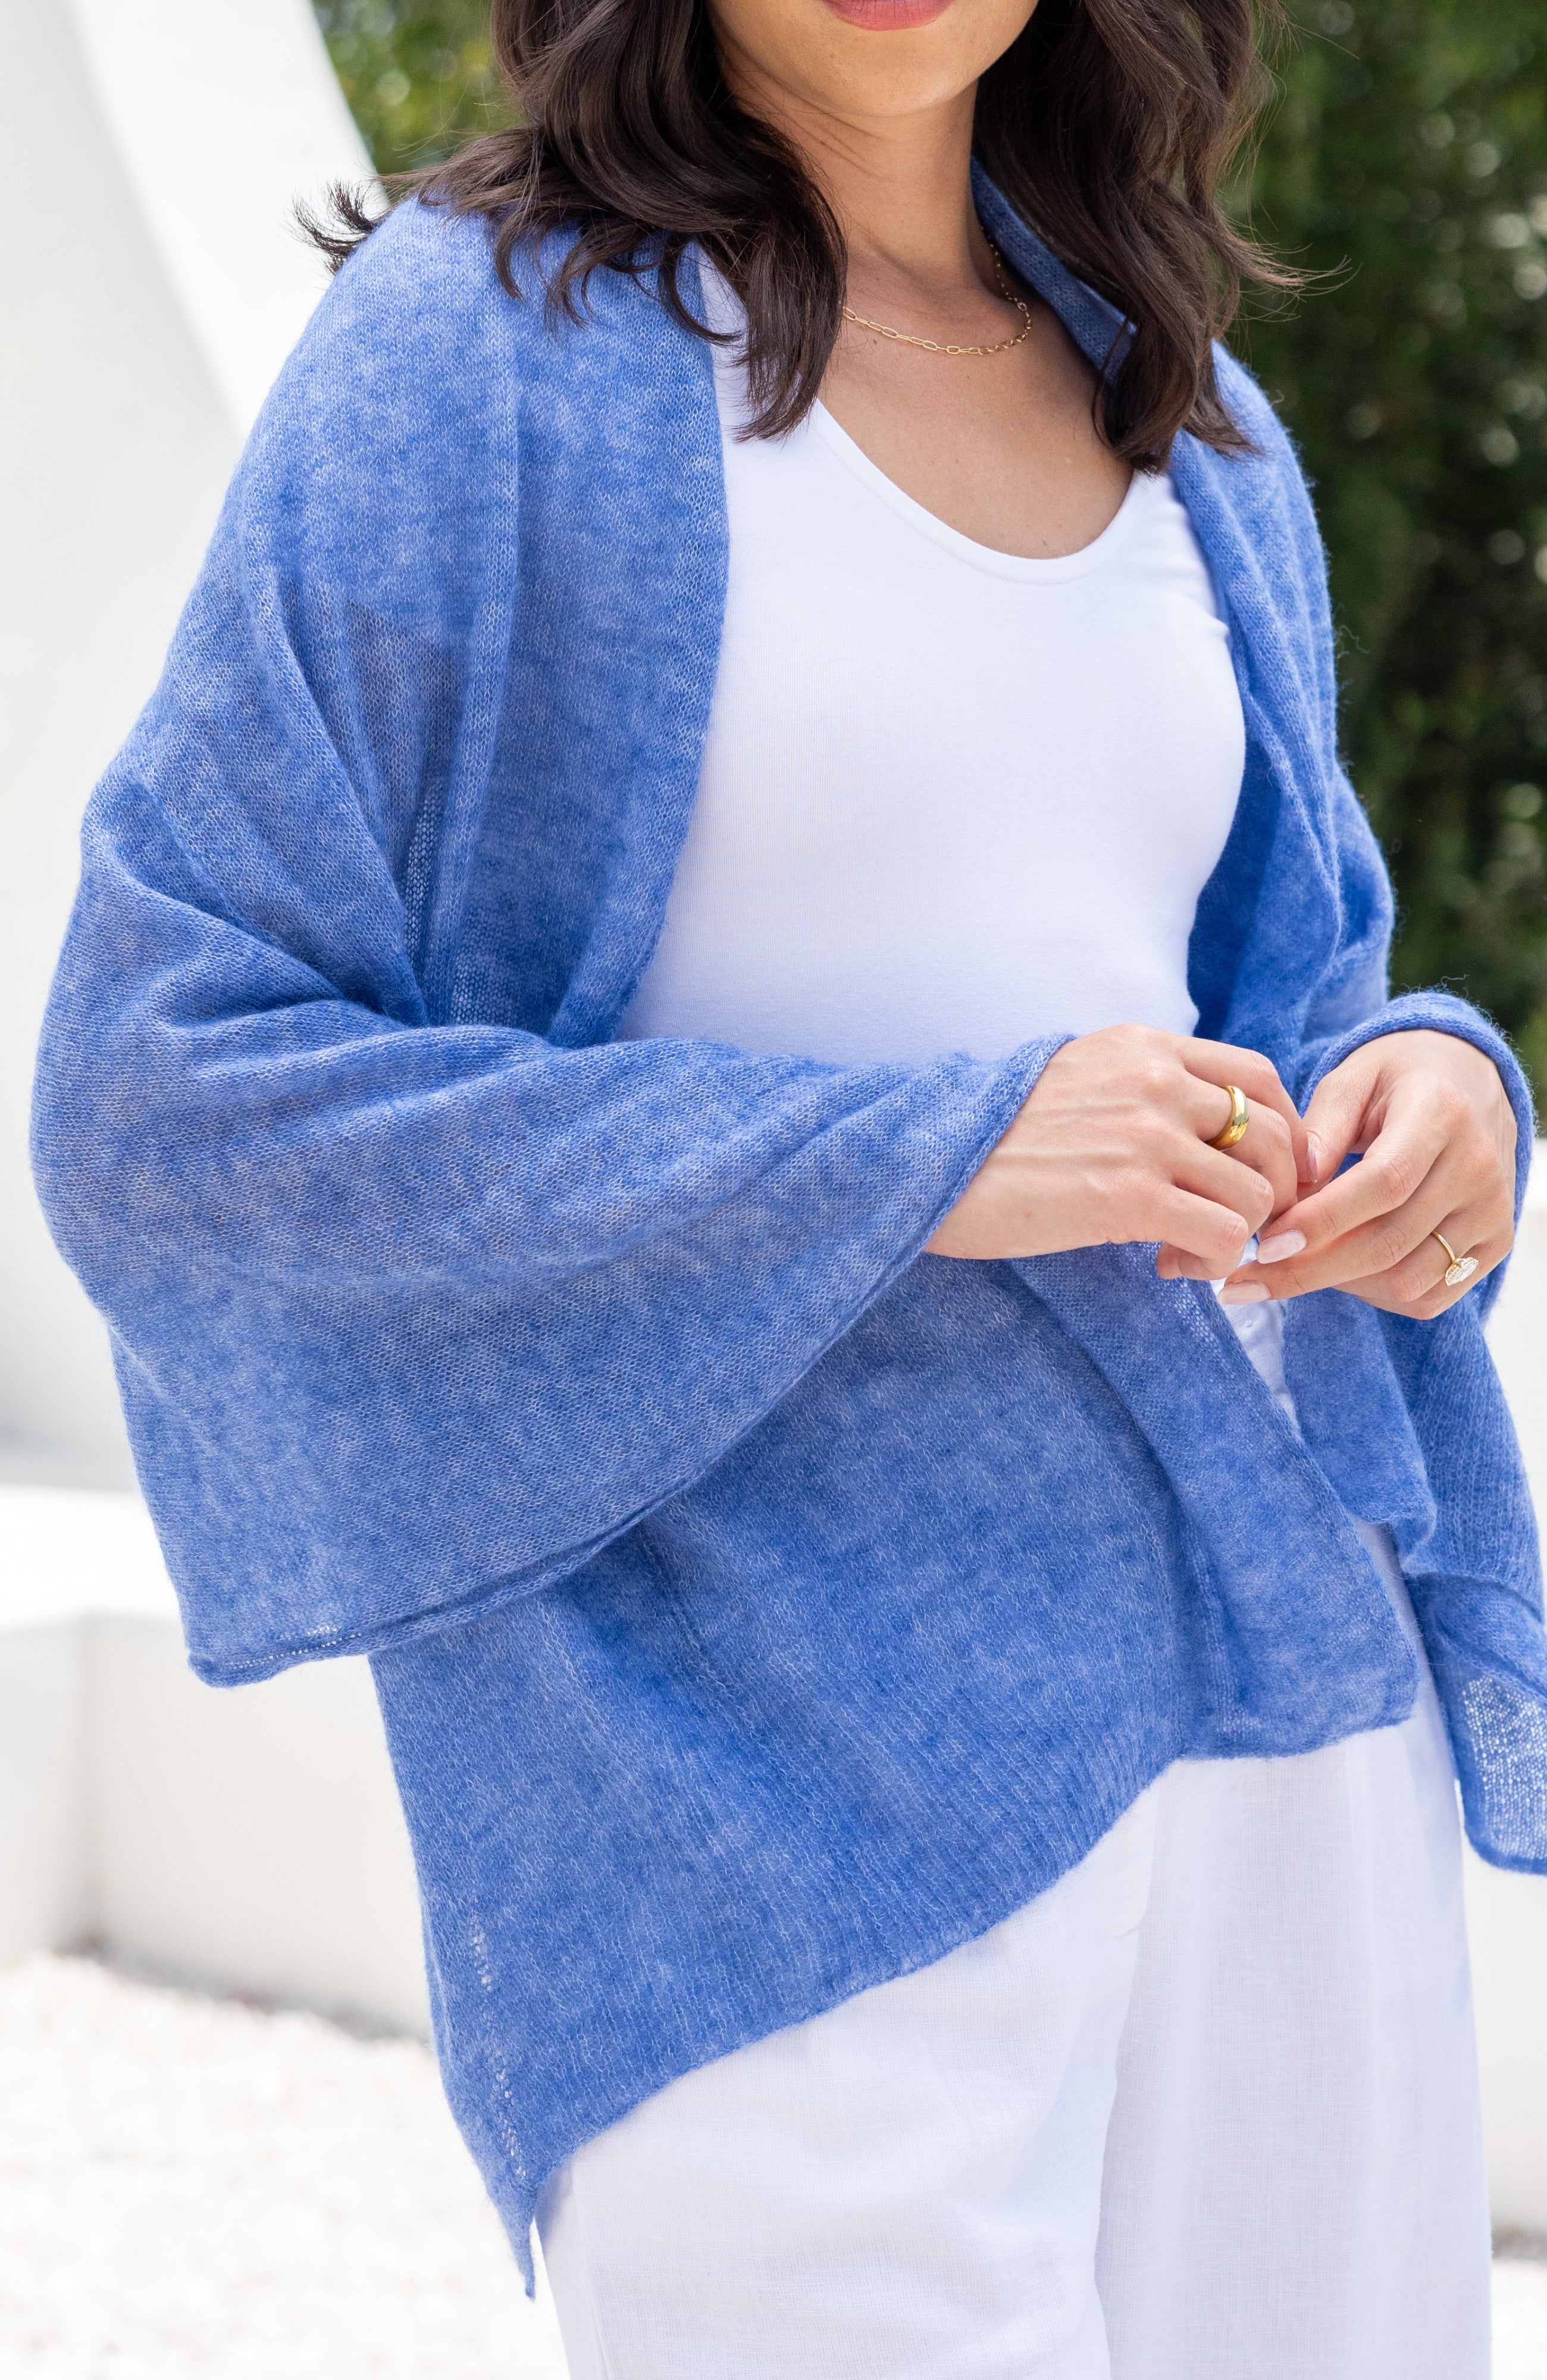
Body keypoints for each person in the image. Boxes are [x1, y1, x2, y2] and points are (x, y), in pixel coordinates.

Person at [30, 0, 1547, 2367]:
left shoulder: (1180, 404)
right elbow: (165, 1096)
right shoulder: (481, 361)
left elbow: (1285, 996)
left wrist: (1433, 1093)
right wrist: (919, 1157)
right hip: (759, 1778)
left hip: (1276, 1718)